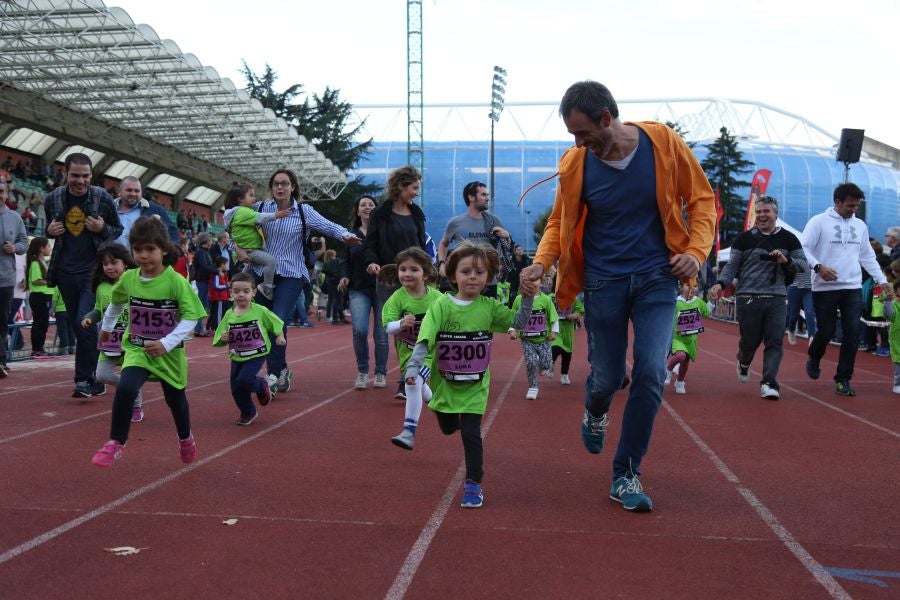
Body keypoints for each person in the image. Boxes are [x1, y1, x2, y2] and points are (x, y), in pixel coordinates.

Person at [519, 81, 716, 512]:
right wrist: (542, 263)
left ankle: (626, 473)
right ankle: (595, 410)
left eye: (584, 133)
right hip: (603, 282)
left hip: (656, 279)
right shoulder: (576, 164)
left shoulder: (662, 142)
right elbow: (558, 222)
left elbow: (700, 200)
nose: (578, 143)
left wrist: (695, 254)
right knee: (607, 379)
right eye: (572, 135)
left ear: (608, 118)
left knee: (649, 371)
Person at [405, 242, 533, 508]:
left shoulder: (489, 306)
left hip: (476, 386)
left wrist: (529, 297)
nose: (472, 277)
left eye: (479, 272)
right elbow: (425, 337)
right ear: (453, 276)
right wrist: (413, 367)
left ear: (488, 277)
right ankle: (436, 404)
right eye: (466, 272)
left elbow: (517, 323)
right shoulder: (442, 305)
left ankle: (473, 484)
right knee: (448, 427)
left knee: (471, 433)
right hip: (447, 385)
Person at [91, 217, 206, 468]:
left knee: (175, 401)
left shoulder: (175, 281)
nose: (144, 256)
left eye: (150, 249)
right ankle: (116, 442)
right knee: (126, 388)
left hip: (168, 353)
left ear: (163, 249)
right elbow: (116, 303)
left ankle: (186, 438)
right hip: (137, 348)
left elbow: (191, 317)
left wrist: (166, 342)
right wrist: (107, 328)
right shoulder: (130, 278)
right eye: (138, 250)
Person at [240, 169, 359, 394]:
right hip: (263, 271)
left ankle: (273, 375)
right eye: (276, 184)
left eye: (285, 183)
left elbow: (329, 226)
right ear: (271, 187)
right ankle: (281, 369)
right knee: (265, 323)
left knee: (277, 320)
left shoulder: (304, 211)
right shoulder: (261, 208)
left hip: (292, 273)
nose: (280, 188)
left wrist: (345, 235)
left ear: (293, 186)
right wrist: (237, 250)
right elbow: (236, 226)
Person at [708, 196, 807, 400]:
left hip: (777, 297)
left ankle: (769, 382)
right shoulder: (743, 239)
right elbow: (732, 267)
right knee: (750, 341)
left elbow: (803, 266)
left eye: (766, 211)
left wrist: (785, 260)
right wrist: (720, 284)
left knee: (774, 341)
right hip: (748, 297)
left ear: (775, 214)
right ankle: (744, 361)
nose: (762, 215)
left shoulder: (789, 239)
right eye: (759, 211)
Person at [45, 152, 123, 398]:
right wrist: (48, 230)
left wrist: (102, 228)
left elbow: (117, 230)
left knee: (83, 322)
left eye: (85, 176)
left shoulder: (103, 198)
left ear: (91, 175)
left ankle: (84, 380)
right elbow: (51, 230)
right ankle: (96, 377)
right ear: (65, 173)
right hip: (65, 272)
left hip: (93, 273)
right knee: (79, 325)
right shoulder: (53, 198)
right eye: (75, 175)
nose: (80, 180)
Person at [801, 183, 887, 396]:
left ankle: (843, 379)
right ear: (837, 202)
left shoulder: (860, 226)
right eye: (850, 205)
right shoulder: (818, 222)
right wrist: (818, 267)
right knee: (826, 332)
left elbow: (867, 256)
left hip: (852, 287)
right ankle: (814, 355)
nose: (854, 209)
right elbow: (802, 249)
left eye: (857, 206)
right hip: (824, 287)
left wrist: (881, 280)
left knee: (852, 333)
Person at [381, 248, 442, 449]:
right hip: (408, 352)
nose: (407, 274)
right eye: (403, 269)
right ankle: (441, 408)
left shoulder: (437, 299)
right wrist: (400, 324)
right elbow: (388, 327)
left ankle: (408, 431)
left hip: (431, 353)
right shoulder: (397, 298)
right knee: (419, 386)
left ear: (425, 274)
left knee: (412, 381)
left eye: (414, 269)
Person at [213, 272, 286, 425]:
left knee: (245, 379)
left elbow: (276, 322)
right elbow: (220, 335)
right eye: (237, 291)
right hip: (237, 355)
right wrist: (223, 338)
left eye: (246, 291)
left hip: (256, 354)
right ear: (231, 293)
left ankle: (262, 386)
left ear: (253, 292)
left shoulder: (259, 310)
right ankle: (248, 412)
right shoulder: (229, 314)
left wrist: (279, 335)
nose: (241, 295)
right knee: (236, 388)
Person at [81, 243, 142, 421]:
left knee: (130, 376)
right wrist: (90, 318)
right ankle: (130, 387)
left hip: (130, 340)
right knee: (102, 375)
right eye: (105, 264)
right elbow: (99, 310)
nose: (108, 267)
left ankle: (136, 405)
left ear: (125, 264)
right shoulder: (101, 287)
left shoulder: (136, 283)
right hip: (108, 340)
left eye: (113, 262)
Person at [339, 195, 389, 389]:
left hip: (382, 287)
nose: (367, 207)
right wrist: (344, 276)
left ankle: (381, 372)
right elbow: (345, 260)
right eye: (363, 205)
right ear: (357, 211)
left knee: (381, 333)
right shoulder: (350, 235)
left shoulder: (383, 233)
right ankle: (362, 371)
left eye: (371, 204)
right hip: (358, 288)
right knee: (359, 330)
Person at [437, 181, 513, 298]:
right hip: (464, 282)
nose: (487, 198)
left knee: (487, 316)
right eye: (483, 195)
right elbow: (443, 245)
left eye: (487, 195)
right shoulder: (455, 223)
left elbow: (507, 246)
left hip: (488, 282)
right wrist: (442, 264)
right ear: (471, 197)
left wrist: (507, 236)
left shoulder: (493, 221)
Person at [222, 183, 289, 300]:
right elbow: (260, 217)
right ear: (240, 199)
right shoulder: (242, 212)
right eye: (251, 195)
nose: (254, 198)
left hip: (246, 248)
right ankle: (267, 286)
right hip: (251, 249)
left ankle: (234, 289)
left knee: (245, 274)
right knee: (270, 262)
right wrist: (276, 215)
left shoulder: (234, 213)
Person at [509, 275, 559, 400]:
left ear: (541, 282)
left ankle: (544, 366)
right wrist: (512, 330)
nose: (532, 283)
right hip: (527, 340)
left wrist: (554, 332)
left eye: (535, 279)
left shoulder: (546, 300)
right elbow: (511, 316)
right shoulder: (519, 299)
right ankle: (532, 387)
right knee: (531, 363)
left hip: (544, 340)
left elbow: (554, 317)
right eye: (528, 281)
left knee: (547, 364)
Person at [665, 281, 714, 394]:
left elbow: (707, 312)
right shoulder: (675, 302)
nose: (692, 288)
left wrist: (711, 300)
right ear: (681, 287)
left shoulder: (698, 301)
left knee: (685, 363)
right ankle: (668, 369)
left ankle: (680, 382)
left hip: (691, 340)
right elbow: (666, 315)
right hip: (678, 338)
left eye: (695, 286)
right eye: (688, 285)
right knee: (680, 356)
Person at [0, 179, 28, 377]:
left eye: (0, 191)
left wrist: (15, 248)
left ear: (6, 194)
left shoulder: (15, 217)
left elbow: (24, 242)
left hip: (5, 279)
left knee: (1, 322)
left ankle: (1, 361)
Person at [112, 176, 178, 247]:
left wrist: (168, 253)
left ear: (141, 192)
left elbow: (173, 232)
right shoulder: (107, 207)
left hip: (139, 258)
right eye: (129, 190)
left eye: (137, 191)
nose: (133, 194)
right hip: (109, 256)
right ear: (120, 191)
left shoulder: (155, 210)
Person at [549, 271, 584, 386]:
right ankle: (550, 365)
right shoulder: (550, 298)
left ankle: (564, 374)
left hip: (568, 330)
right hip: (555, 329)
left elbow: (581, 310)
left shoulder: (572, 298)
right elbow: (543, 309)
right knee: (556, 347)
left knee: (567, 353)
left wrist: (575, 315)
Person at [25, 237, 54, 359]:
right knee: (39, 323)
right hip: (39, 296)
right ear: (41, 249)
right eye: (48, 246)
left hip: (44, 296)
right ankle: (37, 349)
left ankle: (39, 349)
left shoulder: (42, 262)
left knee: (43, 323)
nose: (50, 248)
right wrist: (50, 282)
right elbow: (36, 280)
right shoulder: (36, 263)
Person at [191, 232, 215, 337]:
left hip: (204, 281)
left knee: (203, 305)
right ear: (206, 241)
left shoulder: (204, 251)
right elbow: (204, 266)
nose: (211, 241)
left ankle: (199, 328)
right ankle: (198, 329)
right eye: (210, 239)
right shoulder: (201, 252)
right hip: (202, 281)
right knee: (201, 306)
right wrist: (217, 270)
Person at [785, 268, 816, 345]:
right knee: (794, 314)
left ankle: (811, 337)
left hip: (809, 289)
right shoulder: (795, 256)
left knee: (809, 312)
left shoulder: (813, 257)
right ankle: (791, 330)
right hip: (794, 288)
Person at [881, 281, 899, 394]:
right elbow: (889, 315)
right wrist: (887, 301)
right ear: (896, 291)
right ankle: (898, 384)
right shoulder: (894, 305)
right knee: (899, 362)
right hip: (897, 337)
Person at [207, 256, 231, 332]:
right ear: (222, 265)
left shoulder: (223, 273)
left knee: (221, 313)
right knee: (218, 314)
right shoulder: (217, 274)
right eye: (226, 264)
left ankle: (214, 328)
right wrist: (226, 286)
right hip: (219, 298)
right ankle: (218, 329)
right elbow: (216, 286)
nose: (227, 266)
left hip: (223, 297)